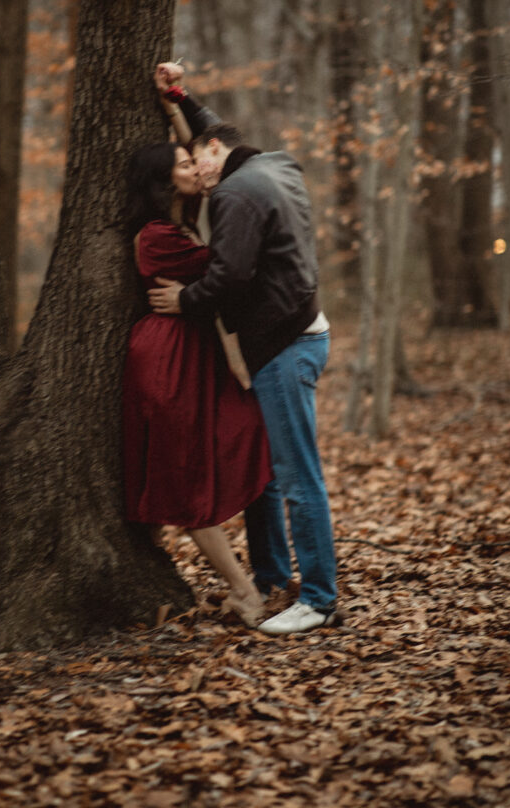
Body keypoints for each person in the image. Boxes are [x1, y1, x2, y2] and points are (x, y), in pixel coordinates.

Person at [148, 63, 337, 635]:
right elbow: (214, 130)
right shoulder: (272, 165)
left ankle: (319, 600)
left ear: (213, 153)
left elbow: (229, 276)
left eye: (195, 158)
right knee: (270, 475)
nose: (196, 175)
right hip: (303, 333)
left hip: (285, 346)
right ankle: (275, 576)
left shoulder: (234, 193)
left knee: (297, 476)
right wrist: (178, 96)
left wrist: (186, 301)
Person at [122, 139, 273, 627]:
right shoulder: (156, 235)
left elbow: (218, 270)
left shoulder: (179, 225)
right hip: (169, 363)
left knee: (248, 432)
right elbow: (229, 270)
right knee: (186, 480)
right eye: (186, 164)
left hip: (192, 354)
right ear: (165, 180)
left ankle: (259, 578)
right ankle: (246, 591)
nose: (197, 168)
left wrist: (176, 101)